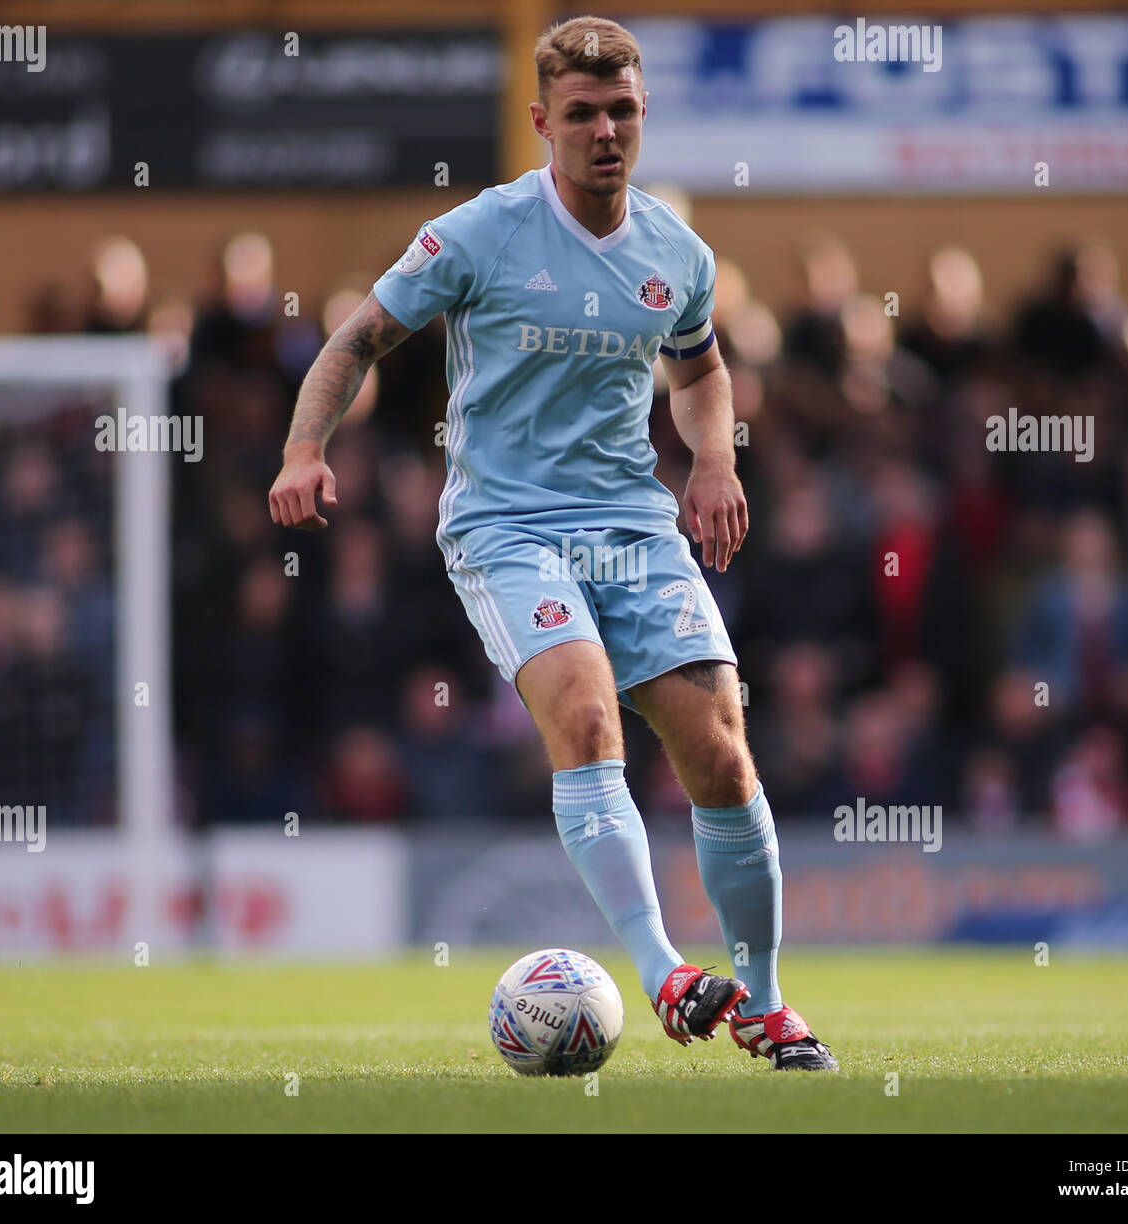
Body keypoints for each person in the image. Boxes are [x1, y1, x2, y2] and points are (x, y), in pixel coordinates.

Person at [268, 15, 836, 1070]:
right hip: (506, 525)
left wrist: (713, 459)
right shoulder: (477, 235)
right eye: (581, 114)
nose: (604, 132)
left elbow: (701, 367)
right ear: (542, 122)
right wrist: (306, 448)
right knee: (583, 713)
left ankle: (762, 1000)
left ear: (642, 114)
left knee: (717, 746)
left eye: (621, 111)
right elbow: (355, 338)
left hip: (630, 523)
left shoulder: (677, 253)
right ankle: (665, 968)